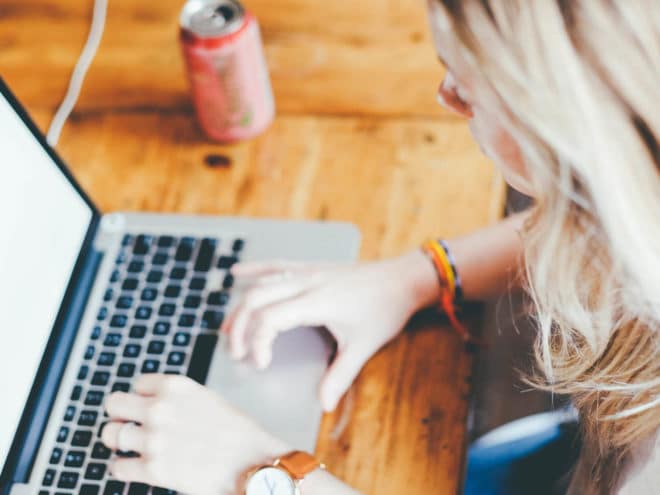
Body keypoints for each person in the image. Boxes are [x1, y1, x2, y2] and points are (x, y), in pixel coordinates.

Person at [100, 1, 660, 493]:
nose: (446, 98)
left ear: (557, 129)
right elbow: (599, 216)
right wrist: (419, 276)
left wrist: (248, 472)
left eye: (465, 85)